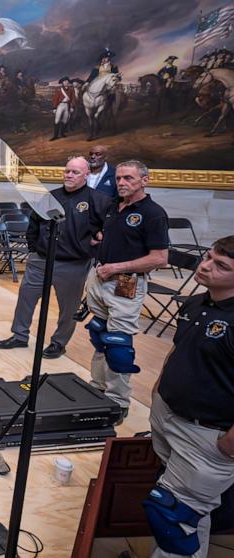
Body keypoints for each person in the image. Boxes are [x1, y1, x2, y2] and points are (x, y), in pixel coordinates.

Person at [145, 236, 234, 558]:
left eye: (221, 266)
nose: (206, 266)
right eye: (208, 258)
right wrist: (159, 387)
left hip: (208, 435)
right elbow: (179, 349)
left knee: (173, 520)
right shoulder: (196, 303)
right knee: (190, 510)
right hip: (168, 415)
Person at [0, 157, 110, 358]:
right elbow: (33, 224)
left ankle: (59, 342)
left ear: (86, 175)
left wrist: (97, 241)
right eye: (67, 171)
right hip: (41, 260)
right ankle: (20, 335)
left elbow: (108, 230)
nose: (69, 175)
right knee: (26, 297)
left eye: (75, 172)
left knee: (69, 308)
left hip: (73, 263)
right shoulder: (50, 196)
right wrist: (33, 250)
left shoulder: (98, 200)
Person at [85, 160, 168, 422]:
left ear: (145, 180)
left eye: (129, 178)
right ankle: (98, 387)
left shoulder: (153, 213)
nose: (122, 183)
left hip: (125, 282)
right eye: (119, 178)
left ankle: (117, 401)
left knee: (118, 344)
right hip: (100, 276)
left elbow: (159, 258)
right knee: (99, 334)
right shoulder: (114, 206)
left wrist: (117, 267)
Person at [51, 77, 75, 141]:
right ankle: (55, 136)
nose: (66, 82)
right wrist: (54, 108)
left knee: (65, 120)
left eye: (67, 81)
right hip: (60, 105)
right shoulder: (59, 90)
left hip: (67, 105)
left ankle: (62, 133)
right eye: (64, 81)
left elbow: (73, 99)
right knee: (57, 120)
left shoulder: (71, 90)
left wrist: (72, 107)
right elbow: (55, 99)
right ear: (62, 83)